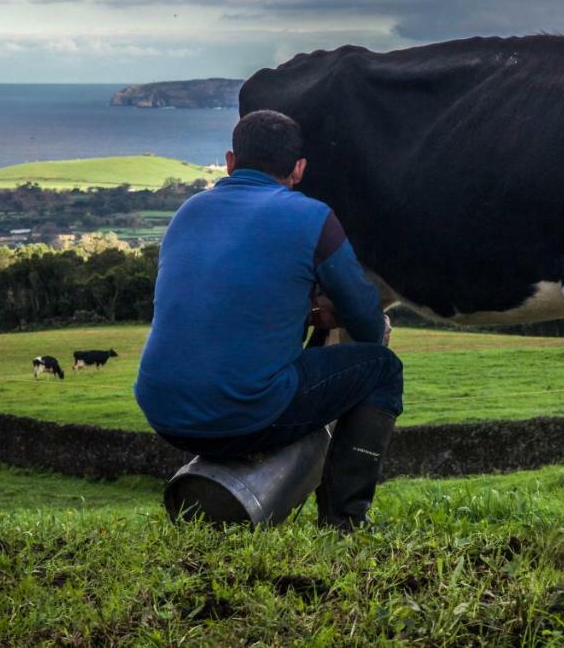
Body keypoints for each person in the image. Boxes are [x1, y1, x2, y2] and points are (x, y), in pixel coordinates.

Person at [134, 110, 402, 531]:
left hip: (162, 411)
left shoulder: (190, 210)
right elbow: (366, 322)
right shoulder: (313, 218)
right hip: (245, 416)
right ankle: (346, 520)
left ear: (230, 161)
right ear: (299, 169)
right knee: (382, 370)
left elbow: (219, 303)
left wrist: (305, 313)